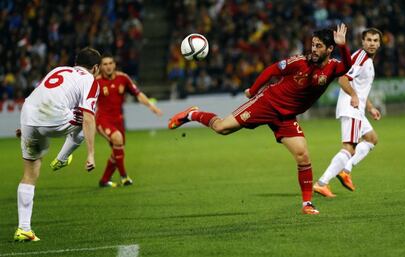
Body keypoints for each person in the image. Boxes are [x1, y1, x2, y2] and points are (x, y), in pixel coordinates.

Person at [168, 24, 352, 215]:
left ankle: (307, 204)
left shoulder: (333, 67)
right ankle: (192, 114)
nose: (314, 50)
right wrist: (253, 90)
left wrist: (344, 46)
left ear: (330, 49)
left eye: (319, 46)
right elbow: (272, 70)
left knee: (302, 155)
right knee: (222, 128)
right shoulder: (299, 62)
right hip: (267, 103)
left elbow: (347, 66)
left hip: (286, 116)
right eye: (313, 45)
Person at [14, 47, 101, 241]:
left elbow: (41, 95)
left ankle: (24, 229)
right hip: (53, 118)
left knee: (30, 173)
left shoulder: (58, 70)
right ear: (95, 68)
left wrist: (27, 127)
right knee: (87, 116)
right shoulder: (90, 81)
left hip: (28, 115)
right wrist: (90, 154)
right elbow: (88, 118)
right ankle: (62, 158)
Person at [314, 28, 382, 197]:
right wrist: (353, 96)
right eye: (369, 40)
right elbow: (343, 80)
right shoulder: (361, 57)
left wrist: (371, 107)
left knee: (371, 139)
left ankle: (346, 170)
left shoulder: (368, 60)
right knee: (349, 148)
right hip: (351, 107)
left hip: (357, 107)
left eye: (375, 40)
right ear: (362, 42)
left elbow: (360, 89)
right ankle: (322, 182)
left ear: (379, 43)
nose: (372, 43)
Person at [96, 53, 163, 188]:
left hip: (118, 121)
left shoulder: (123, 78)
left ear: (114, 65)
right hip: (103, 120)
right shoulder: (95, 82)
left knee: (117, 152)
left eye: (110, 63)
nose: (108, 66)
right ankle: (124, 177)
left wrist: (151, 106)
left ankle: (104, 180)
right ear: (100, 67)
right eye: (105, 64)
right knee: (118, 139)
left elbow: (138, 94)